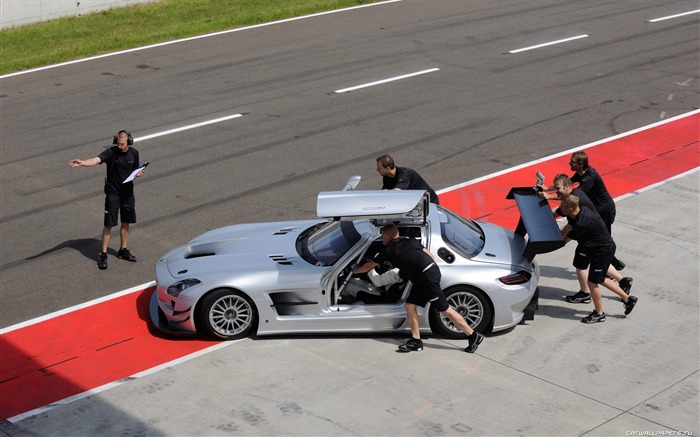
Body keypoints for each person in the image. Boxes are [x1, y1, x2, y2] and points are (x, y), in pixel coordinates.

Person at [354, 224, 483, 352]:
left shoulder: (389, 249)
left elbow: (370, 265)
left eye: (382, 236)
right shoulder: (409, 240)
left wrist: (355, 271)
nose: (382, 239)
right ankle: (416, 341)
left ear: (388, 236)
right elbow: (430, 256)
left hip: (427, 278)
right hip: (425, 275)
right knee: (410, 305)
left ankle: (472, 335)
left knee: (444, 309)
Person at [539, 174, 633, 303]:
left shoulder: (575, 200)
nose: (555, 191)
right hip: (593, 235)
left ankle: (585, 293)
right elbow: (560, 212)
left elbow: (570, 231)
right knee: (592, 261)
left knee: (581, 265)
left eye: (558, 188)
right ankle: (623, 280)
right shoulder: (570, 197)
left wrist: (554, 240)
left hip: (589, 236)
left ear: (567, 187)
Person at [68, 130, 143, 270]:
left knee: (126, 222)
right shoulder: (111, 153)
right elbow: (96, 160)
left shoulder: (134, 153)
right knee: (109, 224)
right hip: (113, 194)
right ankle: (103, 254)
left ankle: (123, 250)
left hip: (127, 194)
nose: (119, 146)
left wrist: (139, 172)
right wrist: (82, 162)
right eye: (118, 143)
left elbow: (136, 169)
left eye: (122, 144)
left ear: (129, 142)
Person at [558, 195, 638, 323]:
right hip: (593, 247)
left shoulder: (581, 224)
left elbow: (563, 241)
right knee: (599, 278)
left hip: (603, 251)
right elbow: (567, 228)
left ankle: (599, 313)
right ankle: (628, 298)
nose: (559, 208)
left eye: (562, 207)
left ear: (571, 209)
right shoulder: (579, 212)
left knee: (593, 282)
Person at [541, 151, 625, 271]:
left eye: (572, 161)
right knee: (601, 241)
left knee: (603, 241)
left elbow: (571, 195)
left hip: (604, 211)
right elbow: (567, 184)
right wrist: (546, 188)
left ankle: (610, 267)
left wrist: (548, 196)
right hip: (594, 209)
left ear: (581, 164)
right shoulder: (580, 173)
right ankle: (615, 264)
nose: (569, 162)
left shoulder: (589, 177)